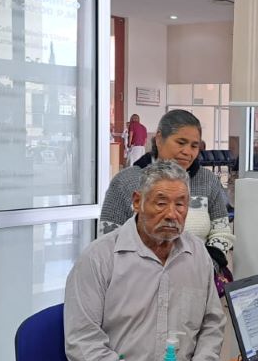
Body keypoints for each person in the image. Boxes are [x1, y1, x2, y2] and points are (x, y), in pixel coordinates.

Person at [65, 161, 225, 361]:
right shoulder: (100, 258)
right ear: (137, 201)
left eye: (181, 204)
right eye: (161, 203)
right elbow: (84, 343)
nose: (172, 214)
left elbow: (212, 323)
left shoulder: (198, 254)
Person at [100, 110, 234, 283]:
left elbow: (222, 231)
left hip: (197, 278)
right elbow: (108, 241)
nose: (188, 152)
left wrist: (207, 264)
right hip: (139, 284)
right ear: (159, 139)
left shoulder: (208, 181)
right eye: (180, 142)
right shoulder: (126, 182)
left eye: (194, 146)